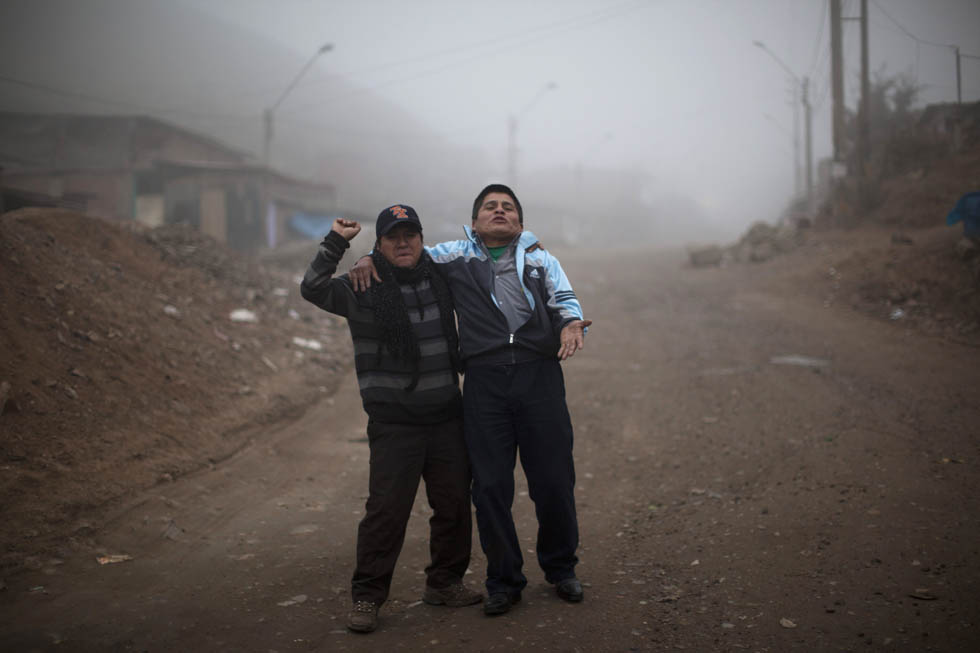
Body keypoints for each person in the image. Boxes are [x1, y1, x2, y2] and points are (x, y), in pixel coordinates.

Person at [351, 184, 591, 616]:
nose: (499, 211)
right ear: (475, 222)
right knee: (490, 487)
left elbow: (564, 298)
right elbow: (405, 250)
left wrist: (571, 323)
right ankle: (503, 580)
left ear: (519, 221)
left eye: (508, 207)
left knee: (554, 481)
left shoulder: (541, 258)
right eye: (489, 207)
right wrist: (368, 256)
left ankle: (561, 568)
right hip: (484, 382)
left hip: (539, 377)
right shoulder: (452, 256)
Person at [299, 205, 482, 634]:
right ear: (379, 245)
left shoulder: (441, 278)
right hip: (395, 425)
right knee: (386, 513)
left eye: (410, 235)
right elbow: (312, 287)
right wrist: (338, 243)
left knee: (454, 505)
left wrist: (530, 247)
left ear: (421, 240)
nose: (403, 243)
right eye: (392, 237)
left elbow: (485, 256)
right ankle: (367, 596)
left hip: (446, 417)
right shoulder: (362, 285)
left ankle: (444, 583)